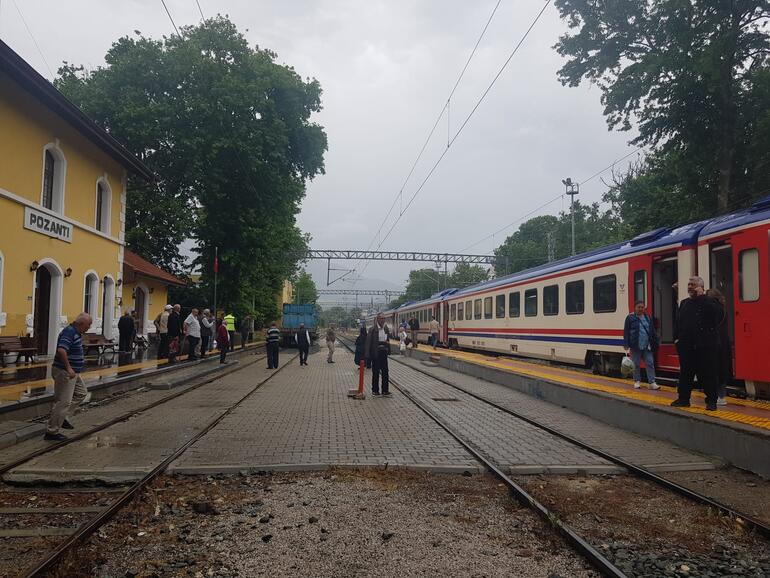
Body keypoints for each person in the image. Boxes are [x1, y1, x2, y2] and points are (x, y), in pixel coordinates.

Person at [671, 276, 722, 411]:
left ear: (701, 287)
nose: (689, 287)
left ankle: (711, 401)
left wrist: (702, 297)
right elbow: (678, 323)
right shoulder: (684, 303)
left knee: (708, 374)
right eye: (689, 284)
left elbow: (716, 315)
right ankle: (683, 399)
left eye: (693, 285)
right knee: (685, 374)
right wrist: (676, 339)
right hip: (687, 347)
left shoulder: (710, 302)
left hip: (706, 347)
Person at [44, 313, 92, 441]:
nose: (89, 328)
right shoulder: (69, 332)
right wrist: (69, 367)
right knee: (63, 401)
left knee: (82, 393)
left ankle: (63, 417)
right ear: (81, 323)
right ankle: (52, 431)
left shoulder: (76, 332)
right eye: (88, 325)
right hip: (65, 372)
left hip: (73, 372)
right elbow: (61, 350)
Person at [623, 301, 660, 390]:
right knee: (636, 364)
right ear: (635, 307)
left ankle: (652, 382)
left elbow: (652, 330)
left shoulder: (647, 317)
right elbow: (626, 331)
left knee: (650, 363)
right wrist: (626, 344)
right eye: (639, 307)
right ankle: (637, 381)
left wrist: (656, 340)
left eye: (642, 307)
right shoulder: (630, 318)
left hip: (647, 345)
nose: (640, 309)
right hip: (635, 345)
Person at [707, 288, 732, 406]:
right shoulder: (723, 308)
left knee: (714, 369)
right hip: (724, 342)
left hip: (714, 343)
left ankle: (717, 395)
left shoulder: (713, 309)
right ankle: (722, 395)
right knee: (722, 368)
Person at [365, 313, 393, 397]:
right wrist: (367, 356)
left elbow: (388, 340)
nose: (383, 320)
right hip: (375, 353)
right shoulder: (372, 329)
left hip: (383, 352)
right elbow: (368, 343)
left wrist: (388, 350)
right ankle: (375, 390)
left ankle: (385, 390)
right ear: (377, 319)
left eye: (384, 318)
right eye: (381, 318)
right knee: (376, 372)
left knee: (385, 372)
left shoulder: (386, 328)